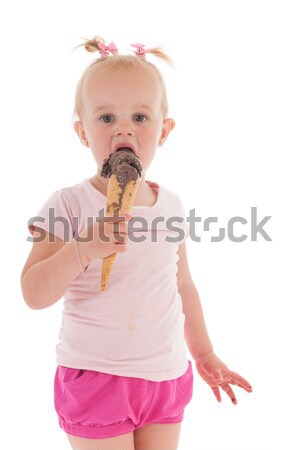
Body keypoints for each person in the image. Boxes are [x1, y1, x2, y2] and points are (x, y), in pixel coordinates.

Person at [20, 36, 253, 450]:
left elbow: (183, 288)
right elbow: (33, 293)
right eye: (106, 118)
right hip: (97, 378)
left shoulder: (172, 205)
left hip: (165, 377)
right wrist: (84, 247)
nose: (124, 127)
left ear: (164, 131)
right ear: (82, 131)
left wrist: (204, 354)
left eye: (140, 118)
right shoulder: (68, 203)